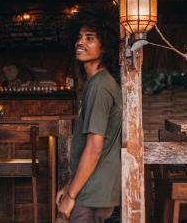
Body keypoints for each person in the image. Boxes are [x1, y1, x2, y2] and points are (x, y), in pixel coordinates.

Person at [56, 16, 122, 223]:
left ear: (104, 48)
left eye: (90, 38)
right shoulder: (95, 83)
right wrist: (69, 186)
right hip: (90, 186)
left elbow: (94, 147)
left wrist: (71, 195)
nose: (80, 42)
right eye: (79, 37)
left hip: (93, 192)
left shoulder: (100, 87)